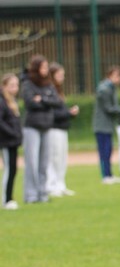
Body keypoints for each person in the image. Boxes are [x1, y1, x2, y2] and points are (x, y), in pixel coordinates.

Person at [21, 55, 64, 203]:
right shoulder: (28, 83)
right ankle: (31, 195)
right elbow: (30, 103)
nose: (46, 70)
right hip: (32, 126)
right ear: (36, 68)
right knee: (32, 162)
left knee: (44, 162)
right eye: (43, 67)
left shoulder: (48, 84)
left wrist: (42, 99)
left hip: (47, 125)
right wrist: (47, 100)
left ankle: (43, 193)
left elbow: (57, 102)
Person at [92, 65, 120, 184]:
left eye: (119, 76)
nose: (118, 79)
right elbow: (109, 108)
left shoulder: (112, 88)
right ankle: (105, 176)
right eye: (115, 76)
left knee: (109, 150)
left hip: (108, 126)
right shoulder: (104, 89)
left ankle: (109, 175)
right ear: (109, 76)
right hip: (101, 126)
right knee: (104, 151)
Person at [45, 62, 79, 197]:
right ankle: (51, 186)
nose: (62, 77)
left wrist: (70, 113)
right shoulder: (48, 90)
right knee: (54, 157)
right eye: (59, 74)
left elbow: (61, 110)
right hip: (53, 128)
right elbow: (52, 113)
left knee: (62, 157)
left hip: (62, 128)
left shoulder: (58, 90)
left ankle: (60, 184)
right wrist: (68, 113)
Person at [0, 73, 23, 210]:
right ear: (4, 86)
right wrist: (13, 133)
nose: (15, 88)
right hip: (6, 142)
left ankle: (10, 198)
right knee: (9, 169)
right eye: (12, 85)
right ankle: (6, 199)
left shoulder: (12, 101)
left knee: (13, 169)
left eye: (16, 85)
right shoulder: (2, 101)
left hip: (13, 142)